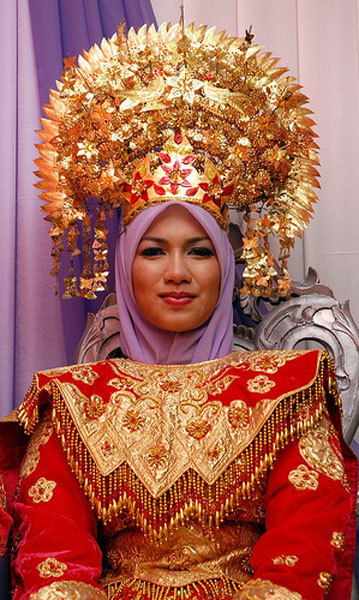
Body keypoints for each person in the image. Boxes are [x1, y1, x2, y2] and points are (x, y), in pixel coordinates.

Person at [1, 21, 357, 600]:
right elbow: (53, 562)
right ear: (122, 267)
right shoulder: (68, 402)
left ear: (227, 264)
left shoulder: (290, 392)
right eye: (152, 251)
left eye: (199, 251)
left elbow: (304, 552)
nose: (177, 273)